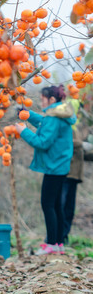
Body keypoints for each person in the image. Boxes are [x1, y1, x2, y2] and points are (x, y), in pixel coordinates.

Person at [15, 85, 76, 255]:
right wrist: (26, 114)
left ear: (51, 100)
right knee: (56, 205)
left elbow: (43, 142)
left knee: (47, 204)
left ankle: (51, 243)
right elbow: (43, 122)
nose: (40, 102)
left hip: (54, 167)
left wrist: (23, 131)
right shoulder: (58, 113)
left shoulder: (54, 117)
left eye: (42, 99)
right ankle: (58, 243)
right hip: (60, 165)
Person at [61, 99, 86, 244]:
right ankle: (56, 236)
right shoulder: (65, 125)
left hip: (75, 174)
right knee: (61, 205)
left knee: (69, 208)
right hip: (65, 172)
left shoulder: (77, 128)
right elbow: (68, 143)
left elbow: (82, 152)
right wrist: (83, 144)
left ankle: (64, 235)